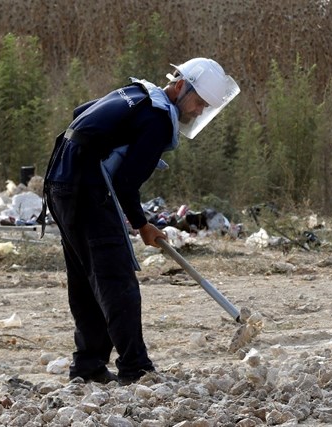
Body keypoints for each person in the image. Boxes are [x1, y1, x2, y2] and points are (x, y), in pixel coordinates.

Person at [41, 58, 240, 384]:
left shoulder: (136, 93)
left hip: (60, 181)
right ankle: (136, 368)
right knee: (117, 279)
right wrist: (142, 223)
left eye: (205, 106)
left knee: (88, 278)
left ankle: (88, 367)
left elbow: (82, 112)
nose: (198, 111)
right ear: (179, 86)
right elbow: (125, 183)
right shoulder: (158, 119)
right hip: (86, 187)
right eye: (198, 102)